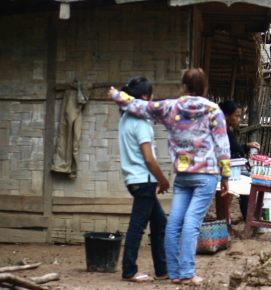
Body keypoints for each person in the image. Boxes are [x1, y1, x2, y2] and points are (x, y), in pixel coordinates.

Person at [110, 68, 229, 286]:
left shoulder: (169, 107)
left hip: (182, 176)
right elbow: (222, 145)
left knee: (174, 223)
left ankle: (174, 273)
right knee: (192, 222)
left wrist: (117, 95)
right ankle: (187, 273)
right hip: (206, 175)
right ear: (204, 88)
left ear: (183, 87)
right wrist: (226, 176)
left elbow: (139, 105)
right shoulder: (213, 110)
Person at [117, 76, 169, 283]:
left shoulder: (125, 118)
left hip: (134, 180)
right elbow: (148, 158)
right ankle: (129, 270)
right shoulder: (141, 122)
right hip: (144, 180)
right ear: (145, 97)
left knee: (159, 222)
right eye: (152, 95)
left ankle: (162, 269)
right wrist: (163, 180)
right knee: (138, 226)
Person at [218, 100, 260, 220]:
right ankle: (248, 217)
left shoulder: (223, 130)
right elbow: (238, 152)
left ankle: (228, 218)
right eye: (236, 116)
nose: (239, 119)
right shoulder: (226, 132)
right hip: (225, 171)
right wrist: (245, 148)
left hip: (224, 168)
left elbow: (235, 150)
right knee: (248, 181)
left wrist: (247, 146)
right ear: (226, 116)